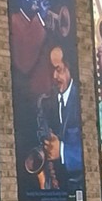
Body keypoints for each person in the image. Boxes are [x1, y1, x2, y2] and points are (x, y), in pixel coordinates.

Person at [39, 45, 84, 192]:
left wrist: (63, 151)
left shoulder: (82, 102)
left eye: (59, 70)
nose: (54, 76)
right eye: (52, 70)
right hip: (56, 184)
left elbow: (95, 155)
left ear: (69, 69)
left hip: (77, 185)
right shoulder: (46, 102)